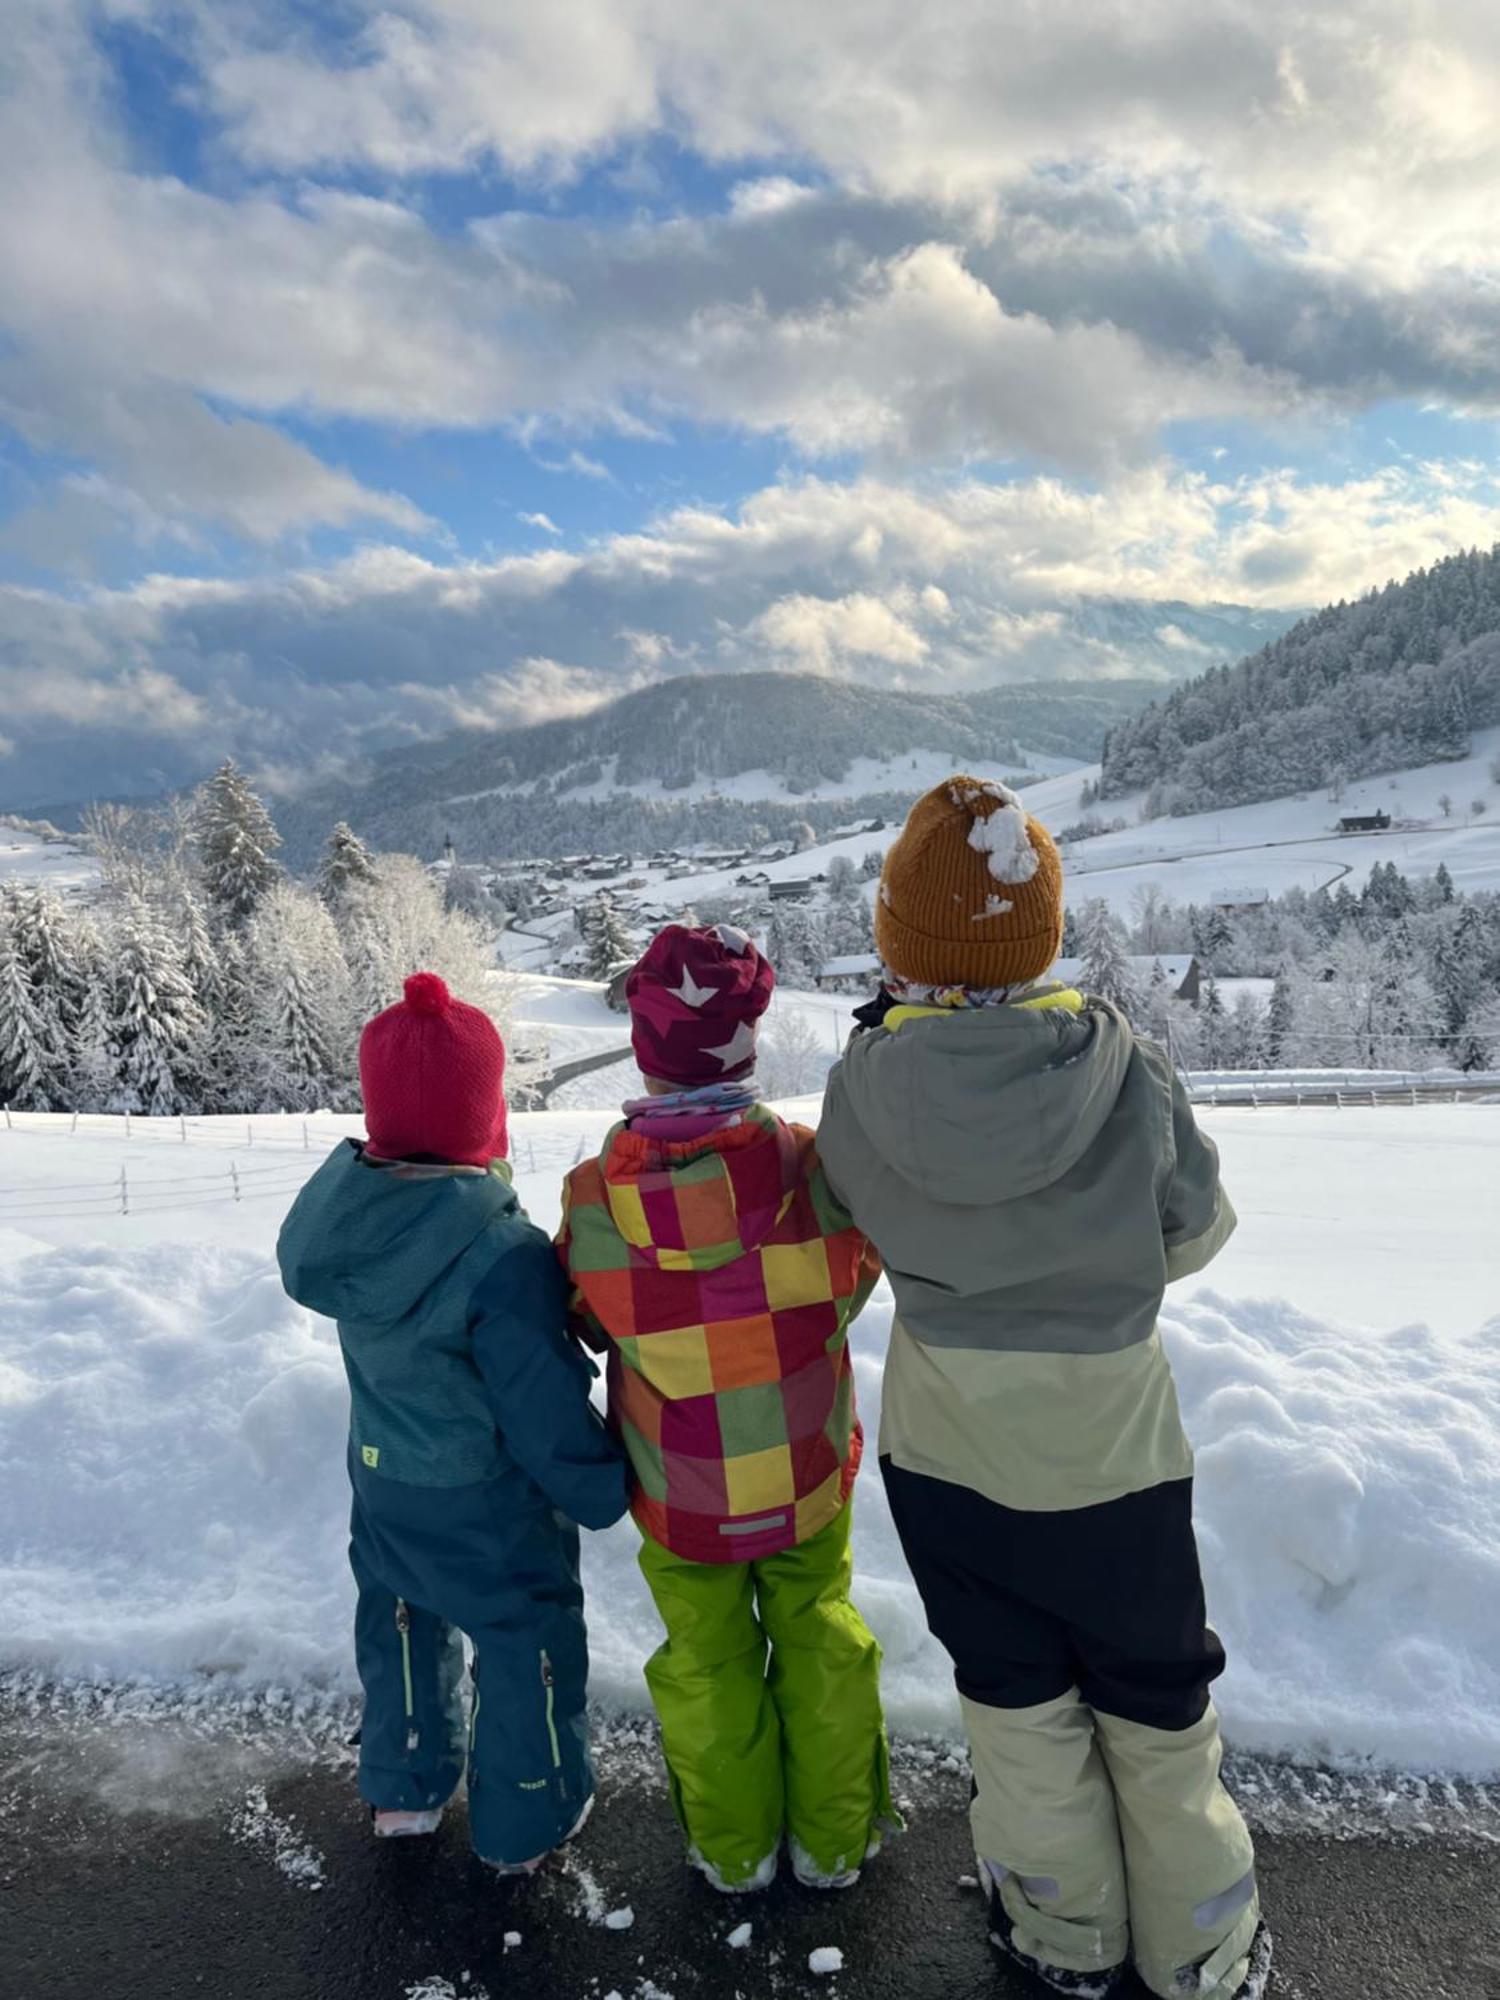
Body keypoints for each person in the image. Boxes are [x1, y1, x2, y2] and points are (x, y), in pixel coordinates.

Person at [816, 780, 1271, 2000]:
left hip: (947, 1455)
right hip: (1115, 1452)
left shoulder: (861, 1085)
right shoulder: (1130, 1077)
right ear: (1043, 930)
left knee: (1015, 1702)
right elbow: (1197, 1234)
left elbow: (843, 1222)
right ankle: (1202, 1945)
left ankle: (1063, 1932)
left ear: (900, 940)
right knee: (1156, 1699)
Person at [557, 923, 896, 1895]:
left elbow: (584, 1314)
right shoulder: (812, 1170)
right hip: (802, 1476)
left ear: (643, 1049)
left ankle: (734, 1851)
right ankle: (833, 1844)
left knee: (708, 1665)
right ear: (748, 1042)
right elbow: (855, 1271)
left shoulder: (593, 1201)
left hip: (681, 1498)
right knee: (821, 1636)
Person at [278, 971, 627, 1874]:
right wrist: (599, 1482)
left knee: (398, 1622)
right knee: (525, 1641)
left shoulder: (353, 1232)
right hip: (486, 1503)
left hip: (385, 1483)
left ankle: (404, 1788)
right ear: (483, 1117)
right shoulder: (502, 1256)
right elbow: (536, 1400)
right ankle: (527, 1819)